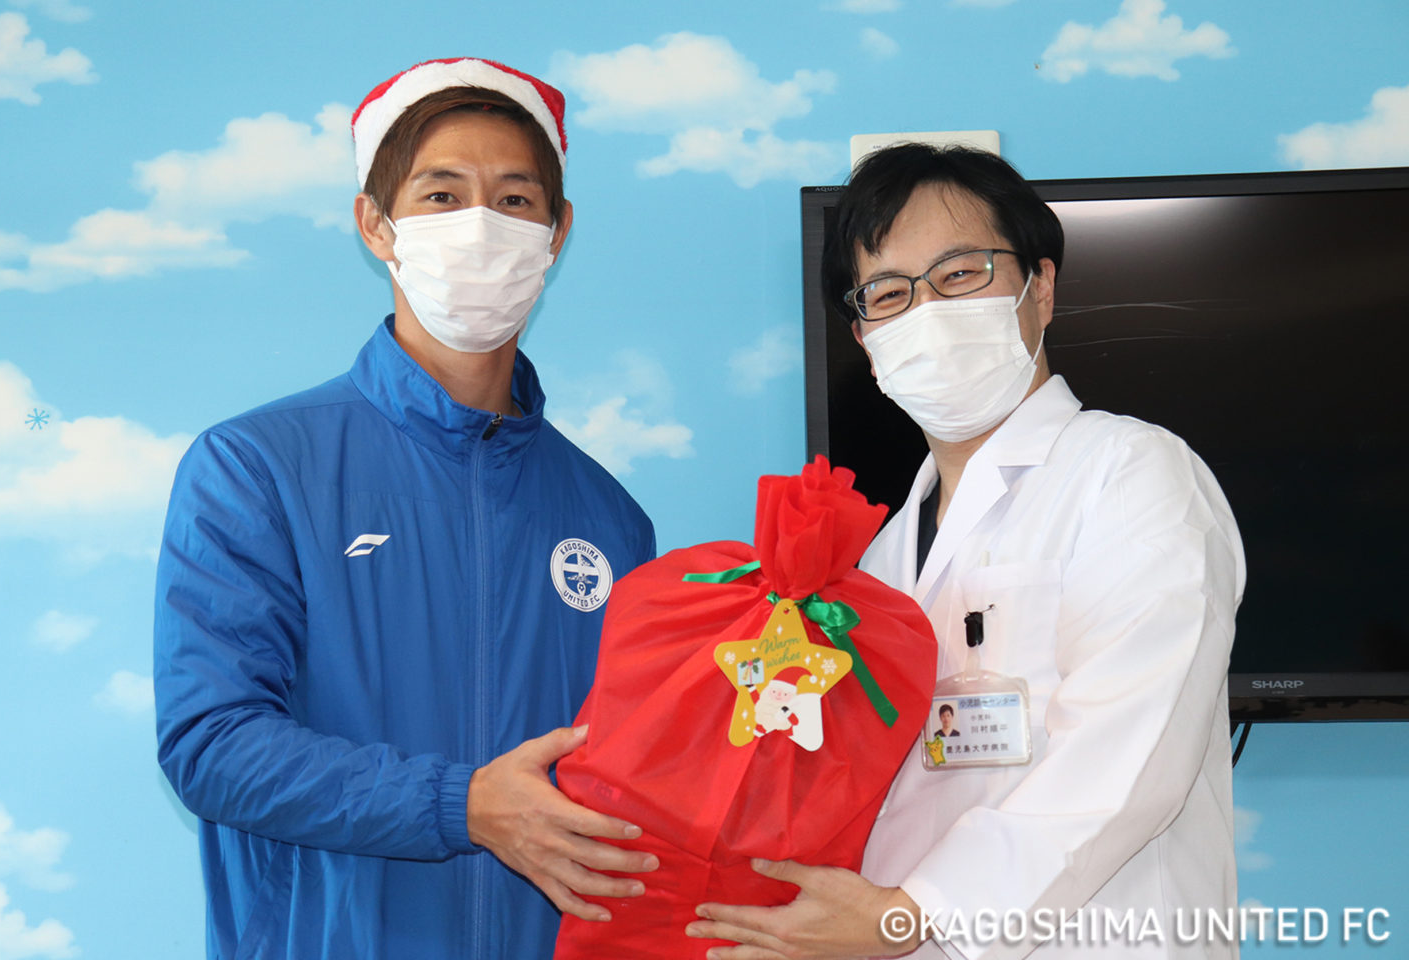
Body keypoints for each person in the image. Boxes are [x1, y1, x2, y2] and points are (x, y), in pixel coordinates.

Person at [154, 58, 659, 960]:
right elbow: (212, 743)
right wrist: (460, 806)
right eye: (442, 196)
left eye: (515, 199)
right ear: (375, 224)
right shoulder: (257, 466)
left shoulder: (612, 520)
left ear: (556, 232)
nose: (481, 226)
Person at [687, 144, 1245, 959]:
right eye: (890, 293)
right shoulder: (877, 559)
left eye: (959, 274)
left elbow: (1128, 755)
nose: (927, 312)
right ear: (866, 339)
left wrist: (914, 913)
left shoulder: (1131, 473)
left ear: (1040, 288)